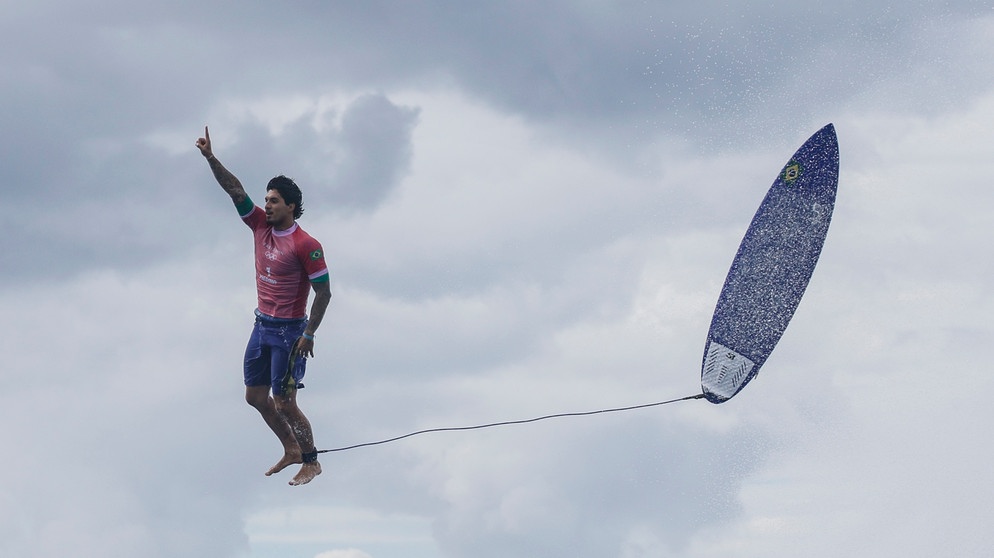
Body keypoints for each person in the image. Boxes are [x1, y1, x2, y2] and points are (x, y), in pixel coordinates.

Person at [196, 126, 332, 486]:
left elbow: (325, 293)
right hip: (261, 326)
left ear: (290, 206)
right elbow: (235, 190)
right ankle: (290, 448)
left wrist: (310, 333)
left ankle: (312, 461)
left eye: (273, 201)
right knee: (255, 396)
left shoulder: (306, 244)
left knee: (285, 401)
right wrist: (211, 158)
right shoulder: (259, 226)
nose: (266, 205)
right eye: (266, 200)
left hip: (289, 333)